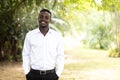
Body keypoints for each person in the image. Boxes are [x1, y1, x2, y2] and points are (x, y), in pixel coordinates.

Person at [22, 9, 64, 80]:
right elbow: (26, 54)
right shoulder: (30, 35)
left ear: (50, 20)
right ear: (38, 18)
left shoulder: (57, 36)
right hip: (33, 75)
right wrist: (27, 72)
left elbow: (60, 55)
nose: (43, 19)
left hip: (51, 75)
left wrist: (57, 73)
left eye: (46, 17)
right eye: (41, 17)